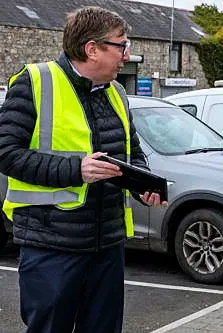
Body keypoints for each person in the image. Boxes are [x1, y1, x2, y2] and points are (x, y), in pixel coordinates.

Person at [0, 6, 167, 333]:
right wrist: (76, 170)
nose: (126, 54)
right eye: (121, 45)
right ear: (92, 49)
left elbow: (132, 152)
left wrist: (142, 185)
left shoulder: (117, 91)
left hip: (107, 245)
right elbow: (6, 153)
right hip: (51, 245)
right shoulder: (35, 81)